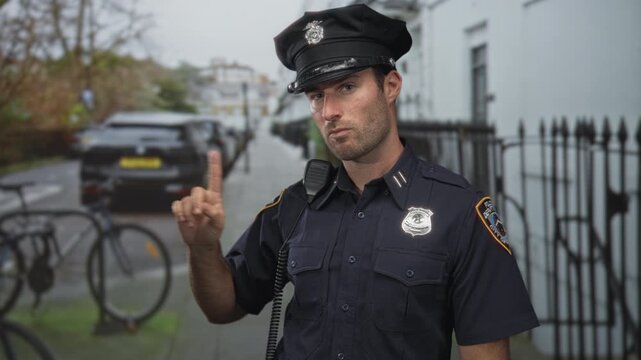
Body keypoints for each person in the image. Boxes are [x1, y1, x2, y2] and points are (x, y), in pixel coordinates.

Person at [172, 4, 539, 359]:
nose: (329, 112)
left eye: (347, 87)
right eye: (317, 96)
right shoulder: (296, 205)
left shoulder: (460, 212)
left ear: (391, 86)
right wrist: (203, 248)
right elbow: (223, 306)